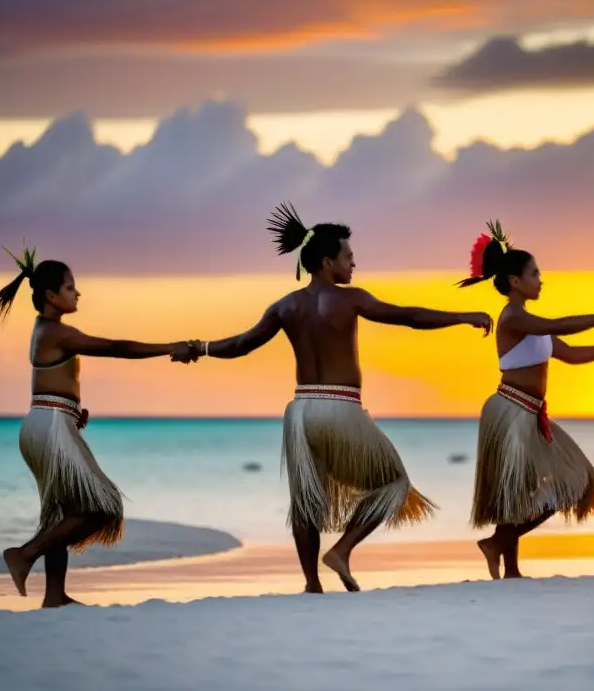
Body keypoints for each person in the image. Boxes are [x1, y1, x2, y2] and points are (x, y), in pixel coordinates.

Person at [178, 203, 493, 593]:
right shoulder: (351, 299)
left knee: (306, 500)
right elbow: (407, 316)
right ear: (327, 261)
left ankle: (311, 584)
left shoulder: (284, 306)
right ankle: (342, 550)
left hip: (300, 412)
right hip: (341, 407)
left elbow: (241, 344)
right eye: (348, 258)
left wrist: (201, 347)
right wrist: (461, 317)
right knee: (395, 484)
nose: (353, 265)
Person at [0, 247, 196, 607]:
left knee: (61, 513)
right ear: (52, 296)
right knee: (103, 507)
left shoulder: (46, 331)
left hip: (49, 420)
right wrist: (171, 347)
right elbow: (118, 347)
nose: (77, 292)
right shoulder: (58, 333)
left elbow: (52, 383)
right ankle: (25, 554)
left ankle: (54, 596)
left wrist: (71, 410)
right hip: (50, 426)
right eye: (71, 287)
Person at [458, 220, 594, 580]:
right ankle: (500, 550)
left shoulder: (533, 325)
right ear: (516, 281)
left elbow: (572, 353)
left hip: (531, 413)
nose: (541, 279)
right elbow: (560, 327)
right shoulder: (514, 317)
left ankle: (506, 559)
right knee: (519, 490)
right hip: (510, 410)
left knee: (573, 483)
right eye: (535, 273)